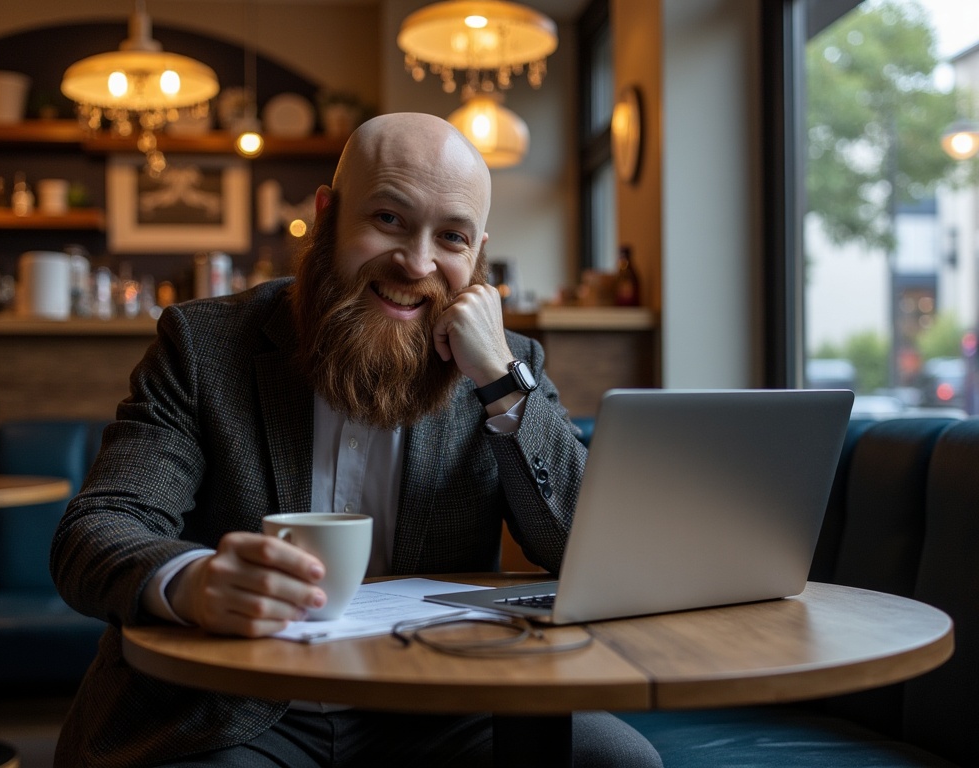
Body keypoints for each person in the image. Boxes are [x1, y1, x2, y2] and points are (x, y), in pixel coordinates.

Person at [50, 112, 662, 768]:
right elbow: (98, 529)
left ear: (477, 253)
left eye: (450, 237)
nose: (416, 263)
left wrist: (501, 384)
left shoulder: (507, 364)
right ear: (328, 215)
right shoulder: (205, 345)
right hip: (238, 706)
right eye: (389, 220)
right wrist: (194, 581)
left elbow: (587, 552)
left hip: (434, 701)